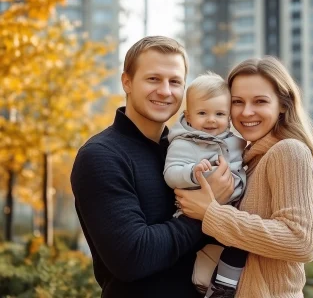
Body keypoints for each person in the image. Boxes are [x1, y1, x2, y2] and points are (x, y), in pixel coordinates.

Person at [70, 36, 234, 298]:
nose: (165, 91)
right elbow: (132, 257)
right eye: (153, 79)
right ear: (127, 82)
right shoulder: (101, 156)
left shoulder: (184, 152)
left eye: (175, 82)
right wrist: (204, 210)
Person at [176, 56, 313, 298]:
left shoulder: (288, 151)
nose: (247, 112)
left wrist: (211, 213)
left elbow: (301, 242)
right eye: (237, 102)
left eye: (260, 101)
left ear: (283, 105)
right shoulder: (250, 160)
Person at [164, 71, 247, 297]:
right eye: (203, 113)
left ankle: (222, 288)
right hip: (194, 213)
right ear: (188, 116)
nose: (211, 120)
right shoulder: (184, 143)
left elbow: (243, 167)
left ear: (229, 117)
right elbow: (171, 173)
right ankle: (200, 285)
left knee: (238, 246)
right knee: (194, 254)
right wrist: (192, 172)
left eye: (220, 113)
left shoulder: (236, 142)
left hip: (229, 211)